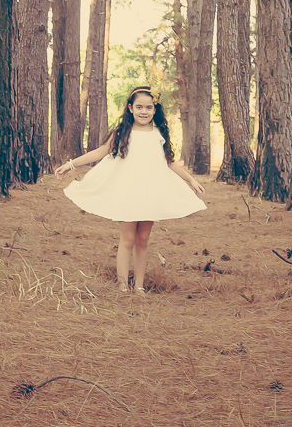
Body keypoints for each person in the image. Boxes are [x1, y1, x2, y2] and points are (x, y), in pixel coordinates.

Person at [54, 85, 206, 293]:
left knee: (142, 240)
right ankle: (122, 286)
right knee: (127, 240)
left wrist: (191, 181)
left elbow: (169, 162)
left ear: (155, 109)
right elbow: (99, 152)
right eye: (139, 107)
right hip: (127, 192)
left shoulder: (158, 134)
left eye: (149, 107)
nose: (144, 112)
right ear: (130, 108)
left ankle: (140, 287)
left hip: (149, 192)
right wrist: (70, 165)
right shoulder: (122, 132)